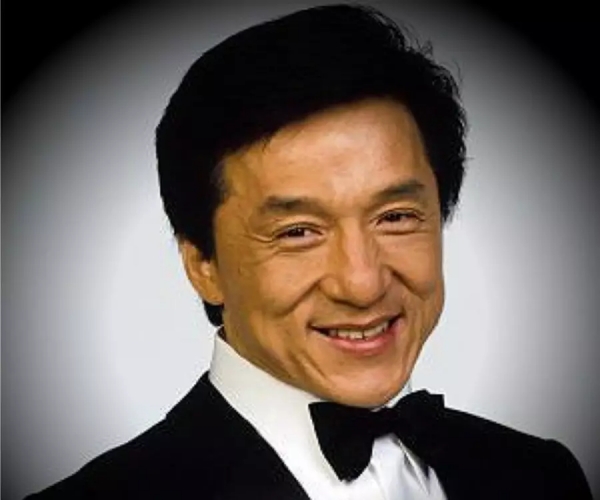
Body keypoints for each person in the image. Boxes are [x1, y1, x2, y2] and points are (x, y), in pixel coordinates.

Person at [25, 4, 593, 499]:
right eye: (298, 231)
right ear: (202, 265)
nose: (363, 283)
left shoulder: (541, 475)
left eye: (395, 217)